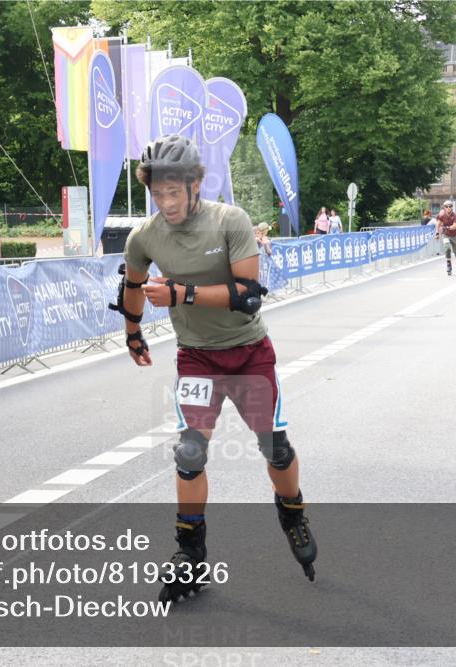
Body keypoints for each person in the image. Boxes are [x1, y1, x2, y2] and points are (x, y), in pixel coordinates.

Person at [113, 134, 317, 601]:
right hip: (198, 359)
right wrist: (133, 331)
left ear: (195, 184)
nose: (166, 202)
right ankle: (190, 551)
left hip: (248, 354)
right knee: (189, 454)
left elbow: (247, 296)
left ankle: (292, 512)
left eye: (174, 192)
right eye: (157, 192)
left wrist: (182, 293)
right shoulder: (144, 236)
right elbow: (132, 282)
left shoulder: (230, 221)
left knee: (275, 450)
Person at [435, 200, 456, 275]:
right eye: (446, 206)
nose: (448, 208)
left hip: (454, 235)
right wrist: (437, 233)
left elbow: (455, 226)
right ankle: (448, 265)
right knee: (447, 248)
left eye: (450, 206)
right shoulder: (442, 215)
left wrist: (446, 227)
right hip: (446, 235)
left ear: (452, 207)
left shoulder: (455, 216)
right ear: (444, 207)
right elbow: (438, 223)